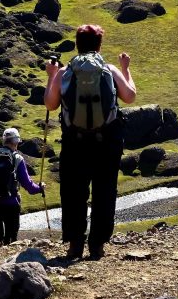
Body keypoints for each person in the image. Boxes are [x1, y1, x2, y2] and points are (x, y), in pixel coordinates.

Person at [44, 24, 136, 261]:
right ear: (99, 45)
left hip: (74, 142)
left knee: (74, 192)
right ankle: (97, 246)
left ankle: (75, 244)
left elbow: (50, 104)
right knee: (105, 191)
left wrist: (51, 76)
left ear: (77, 44)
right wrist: (126, 70)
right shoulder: (109, 69)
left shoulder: (65, 72)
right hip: (107, 141)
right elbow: (129, 96)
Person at [0, 127, 45, 245]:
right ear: (16, 142)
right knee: (11, 241)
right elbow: (30, 187)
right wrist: (40, 188)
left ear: (3, 140)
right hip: (10, 204)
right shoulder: (18, 159)